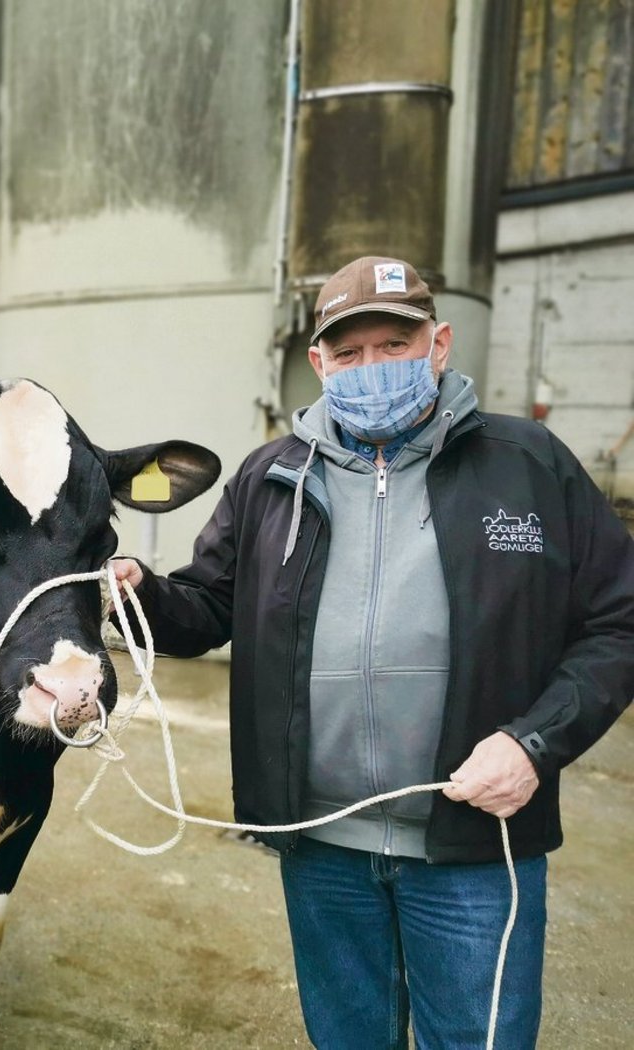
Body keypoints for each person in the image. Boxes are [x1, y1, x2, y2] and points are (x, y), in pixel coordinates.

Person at [111, 256, 634, 1049]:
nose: (372, 369)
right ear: (319, 363)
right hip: (323, 846)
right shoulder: (273, 477)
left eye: (395, 345)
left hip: (473, 846)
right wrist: (137, 592)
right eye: (349, 355)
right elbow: (208, 607)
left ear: (439, 343)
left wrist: (535, 745)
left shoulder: (529, 468)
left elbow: (619, 621)